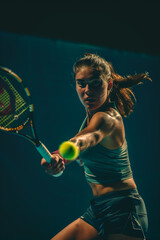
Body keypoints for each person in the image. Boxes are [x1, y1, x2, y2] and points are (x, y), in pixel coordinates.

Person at [41, 53, 151, 240]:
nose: (87, 90)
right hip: (99, 208)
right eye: (81, 83)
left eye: (95, 83)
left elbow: (84, 140)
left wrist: (65, 153)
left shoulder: (107, 119)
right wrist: (57, 158)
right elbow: (76, 148)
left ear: (108, 84)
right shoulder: (89, 119)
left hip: (124, 210)